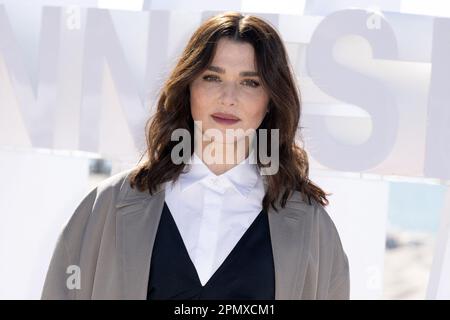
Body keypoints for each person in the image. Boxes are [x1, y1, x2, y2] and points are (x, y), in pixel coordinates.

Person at [41, 11, 349, 300]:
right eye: (212, 77)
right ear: (188, 87)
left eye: (250, 82)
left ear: (271, 100)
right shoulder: (107, 206)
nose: (228, 98)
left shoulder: (312, 227)